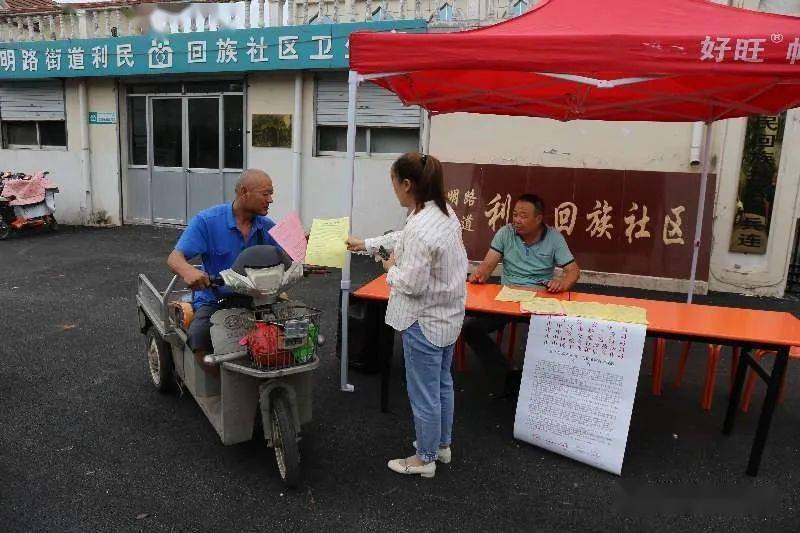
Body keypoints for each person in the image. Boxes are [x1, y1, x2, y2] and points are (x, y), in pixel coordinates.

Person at [347, 152, 468, 479]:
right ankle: (441, 446)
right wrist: (366, 244)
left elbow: (411, 284)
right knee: (442, 384)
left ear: (407, 184)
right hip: (448, 317)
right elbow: (404, 238)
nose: (393, 190)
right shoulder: (442, 212)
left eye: (393, 183)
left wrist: (388, 268)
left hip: (423, 320)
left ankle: (424, 458)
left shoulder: (421, 226)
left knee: (424, 392)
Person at [463, 193, 580, 397]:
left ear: (538, 219)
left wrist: (561, 283)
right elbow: (488, 265)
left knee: (547, 337)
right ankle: (507, 373)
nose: (517, 220)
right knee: (471, 329)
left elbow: (573, 271)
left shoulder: (554, 238)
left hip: (540, 300)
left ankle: (542, 385)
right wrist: (480, 274)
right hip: (507, 298)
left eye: (523, 216)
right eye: (515, 214)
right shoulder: (505, 233)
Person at [167, 169, 280, 370]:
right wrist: (189, 272)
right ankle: (216, 385)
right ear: (245, 192)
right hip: (215, 298)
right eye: (266, 194)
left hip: (255, 297)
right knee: (199, 335)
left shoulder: (267, 226)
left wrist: (334, 241)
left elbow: (294, 250)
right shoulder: (207, 221)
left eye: (271, 194)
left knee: (288, 329)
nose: (270, 199)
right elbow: (175, 258)